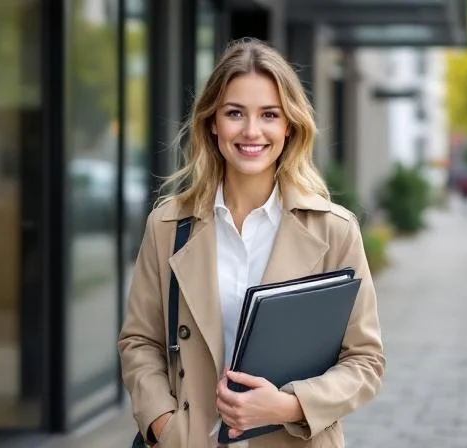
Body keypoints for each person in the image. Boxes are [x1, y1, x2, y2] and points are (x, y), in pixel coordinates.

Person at [118, 38, 385, 448]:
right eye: (235, 113)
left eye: (269, 115)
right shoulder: (168, 225)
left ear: (289, 125)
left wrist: (290, 405)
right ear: (212, 122)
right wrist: (163, 425)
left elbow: (364, 361)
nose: (252, 131)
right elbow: (140, 342)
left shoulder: (334, 230)